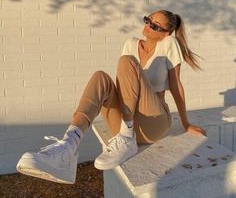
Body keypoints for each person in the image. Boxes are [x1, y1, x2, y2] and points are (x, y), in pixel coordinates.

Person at [16, 10, 206, 184]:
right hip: (126, 122)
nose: (148, 26)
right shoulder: (130, 43)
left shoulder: (169, 44)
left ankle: (126, 136)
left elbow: (176, 86)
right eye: (148, 20)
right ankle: (68, 145)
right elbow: (123, 86)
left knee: (126, 61)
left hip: (154, 121)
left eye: (155, 26)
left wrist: (186, 123)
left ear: (166, 33)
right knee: (100, 76)